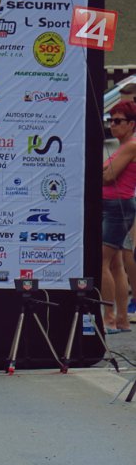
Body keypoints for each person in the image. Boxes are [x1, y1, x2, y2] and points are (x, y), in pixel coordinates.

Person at [101, 101, 136, 333]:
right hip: (115, 205)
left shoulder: (130, 146)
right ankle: (121, 319)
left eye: (118, 121)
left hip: (117, 206)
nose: (113, 125)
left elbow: (107, 177)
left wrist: (103, 171)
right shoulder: (122, 146)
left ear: (131, 124)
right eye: (110, 120)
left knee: (101, 262)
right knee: (116, 264)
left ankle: (109, 318)